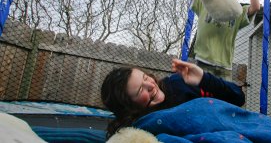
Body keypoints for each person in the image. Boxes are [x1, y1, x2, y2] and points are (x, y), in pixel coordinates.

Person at [101, 58, 245, 139]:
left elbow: (238, 97)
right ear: (129, 107)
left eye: (146, 78)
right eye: (140, 90)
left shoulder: (180, 84)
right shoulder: (138, 131)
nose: (150, 85)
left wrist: (204, 79)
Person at [186, 0, 260, 80]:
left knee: (221, 98)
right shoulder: (204, 3)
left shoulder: (238, 12)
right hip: (202, 63)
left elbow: (256, 7)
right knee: (202, 97)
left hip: (225, 69)